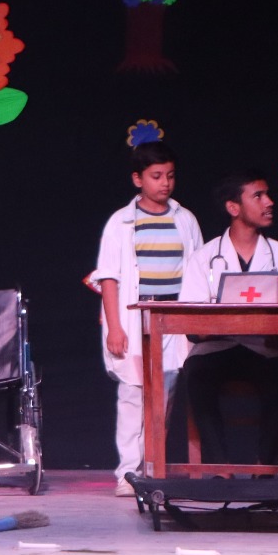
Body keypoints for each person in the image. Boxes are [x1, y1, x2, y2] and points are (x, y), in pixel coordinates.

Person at [93, 141, 203, 496]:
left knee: (164, 396)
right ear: (138, 179)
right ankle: (128, 472)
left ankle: (152, 466)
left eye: (170, 175)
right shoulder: (122, 222)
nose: (165, 183)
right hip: (136, 317)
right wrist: (114, 328)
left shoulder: (185, 219)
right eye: (156, 176)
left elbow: (198, 270)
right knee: (133, 394)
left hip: (173, 319)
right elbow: (109, 278)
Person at [177, 171, 278, 465]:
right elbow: (192, 326)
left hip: (266, 351)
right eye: (258, 196)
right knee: (197, 376)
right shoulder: (204, 258)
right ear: (233, 207)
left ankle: (265, 468)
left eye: (267, 195)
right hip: (215, 350)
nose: (269, 202)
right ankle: (220, 467)